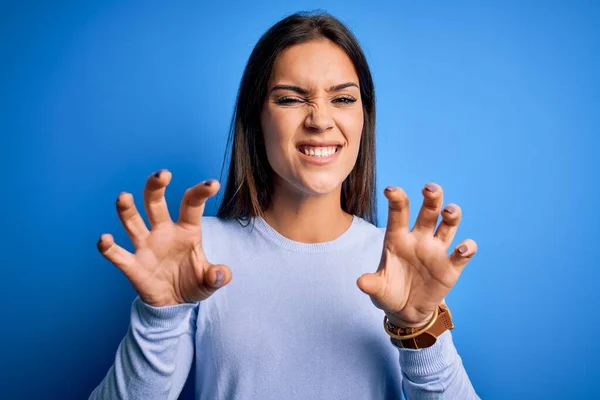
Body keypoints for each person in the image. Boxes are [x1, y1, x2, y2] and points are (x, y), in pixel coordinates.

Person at [90, 11, 479, 400]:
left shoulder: (399, 264)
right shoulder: (198, 255)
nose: (320, 120)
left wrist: (420, 329)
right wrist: (160, 317)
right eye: (291, 99)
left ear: (364, 118)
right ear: (256, 118)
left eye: (343, 98)